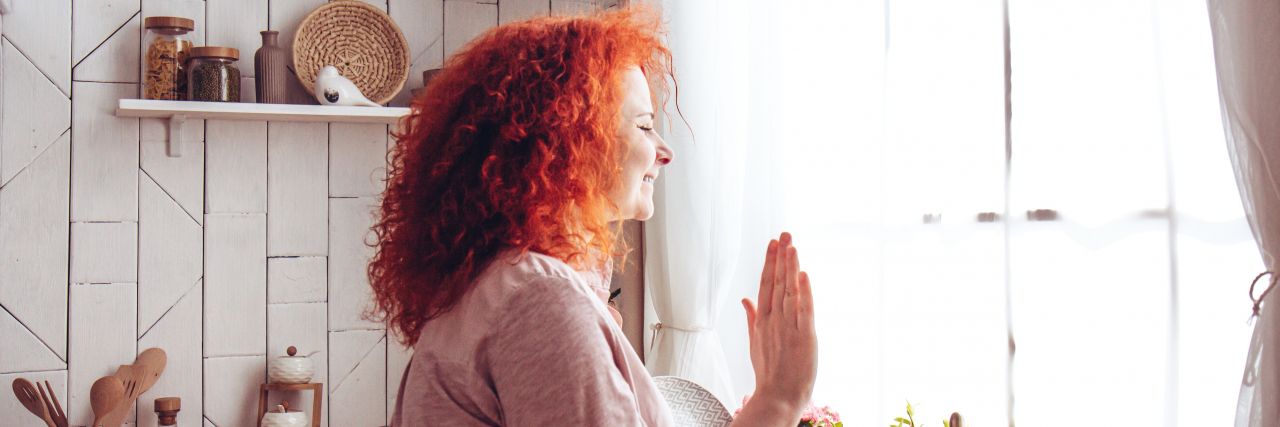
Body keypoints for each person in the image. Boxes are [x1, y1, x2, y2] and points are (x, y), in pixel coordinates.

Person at [369, 7, 818, 426]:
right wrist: (779, 400)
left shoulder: (497, 285)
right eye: (643, 126)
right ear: (568, 142)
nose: (665, 151)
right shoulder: (539, 301)